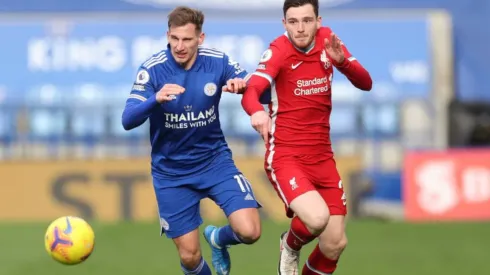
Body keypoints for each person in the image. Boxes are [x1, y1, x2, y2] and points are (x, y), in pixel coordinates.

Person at [122, 6, 261, 275]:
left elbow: (257, 88)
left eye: (187, 39)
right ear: (168, 36)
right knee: (189, 258)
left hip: (215, 162)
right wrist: (155, 99)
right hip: (171, 173)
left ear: (201, 38)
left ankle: (218, 239)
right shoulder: (152, 70)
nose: (179, 46)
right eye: (174, 39)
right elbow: (127, 120)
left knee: (250, 231)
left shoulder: (217, 62)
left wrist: (244, 85)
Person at [241, 0, 372, 274]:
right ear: (284, 23)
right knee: (316, 219)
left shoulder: (328, 41)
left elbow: (366, 83)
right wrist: (257, 112)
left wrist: (342, 63)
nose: (300, 28)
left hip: (323, 157)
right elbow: (253, 90)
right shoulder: (278, 50)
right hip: (287, 156)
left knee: (335, 243)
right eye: (293, 21)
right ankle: (289, 245)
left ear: (318, 20)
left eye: (307, 20)